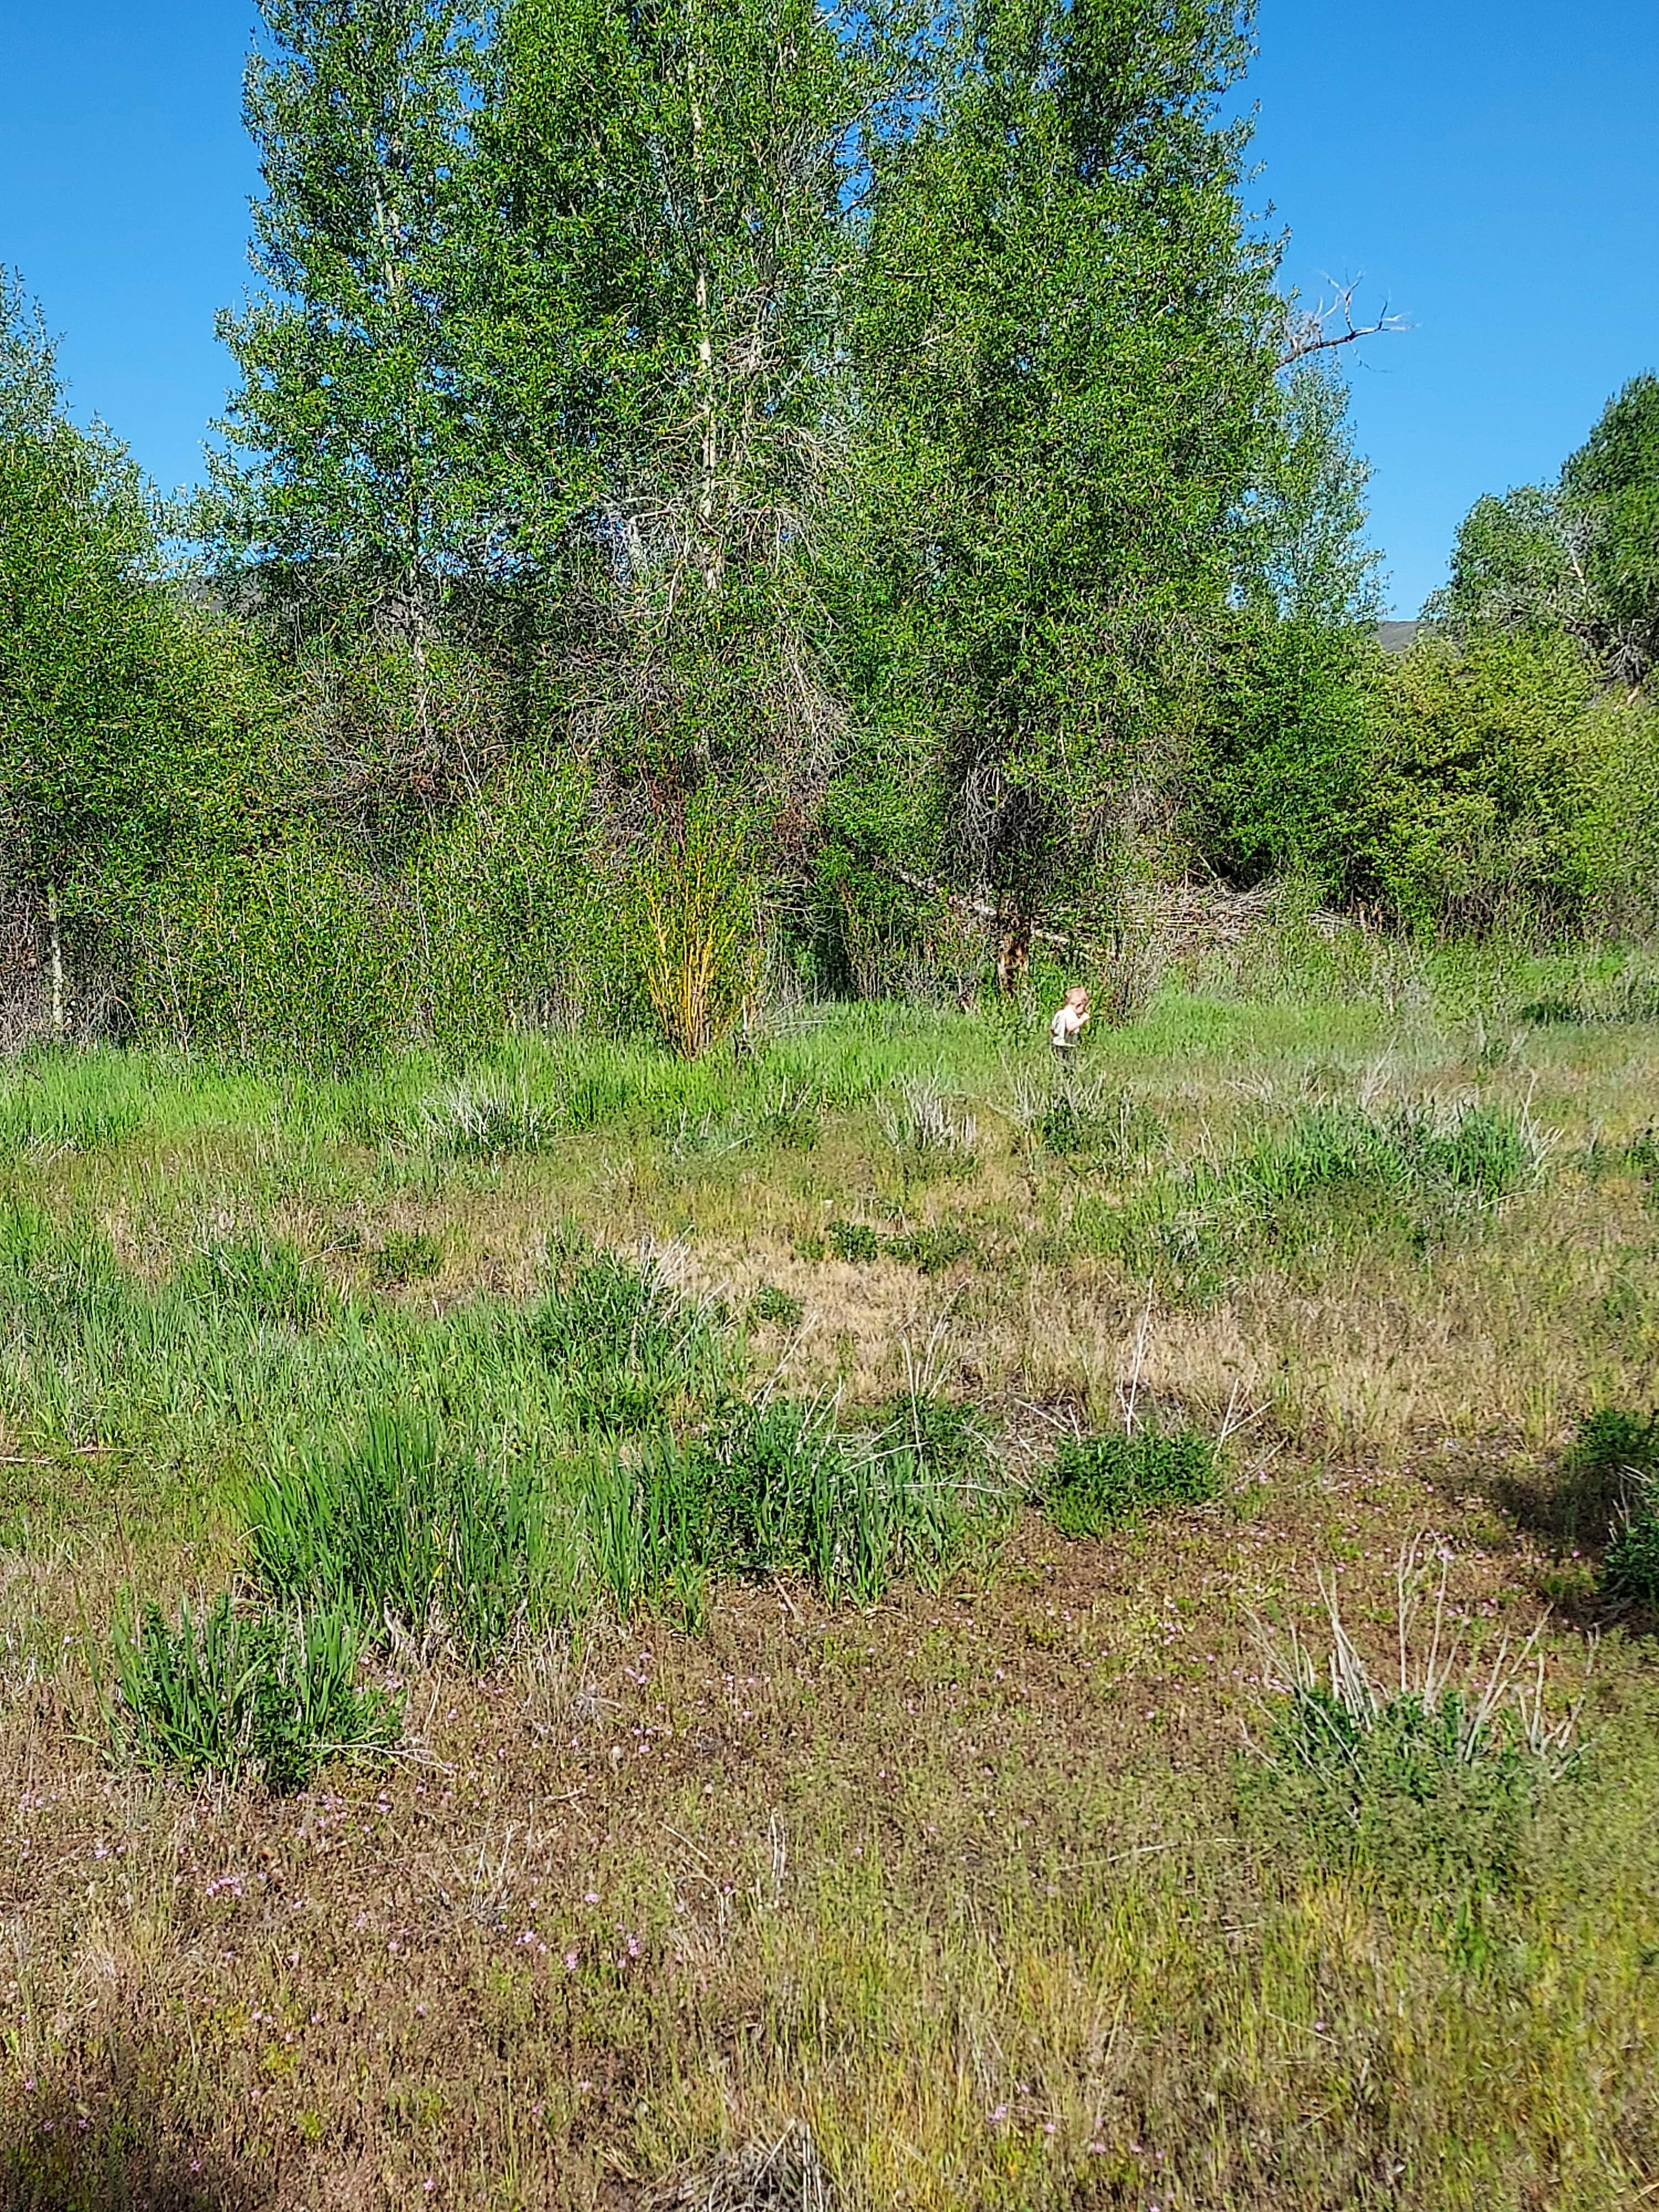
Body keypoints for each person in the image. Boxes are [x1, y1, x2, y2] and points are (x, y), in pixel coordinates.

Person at [1050, 984, 1090, 1060]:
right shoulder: (1070, 1015)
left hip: (1056, 1044)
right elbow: (1069, 1028)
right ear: (1079, 1005)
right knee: (1068, 1064)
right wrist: (1082, 1020)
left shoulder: (1060, 1013)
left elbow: (1052, 1028)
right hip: (1066, 1046)